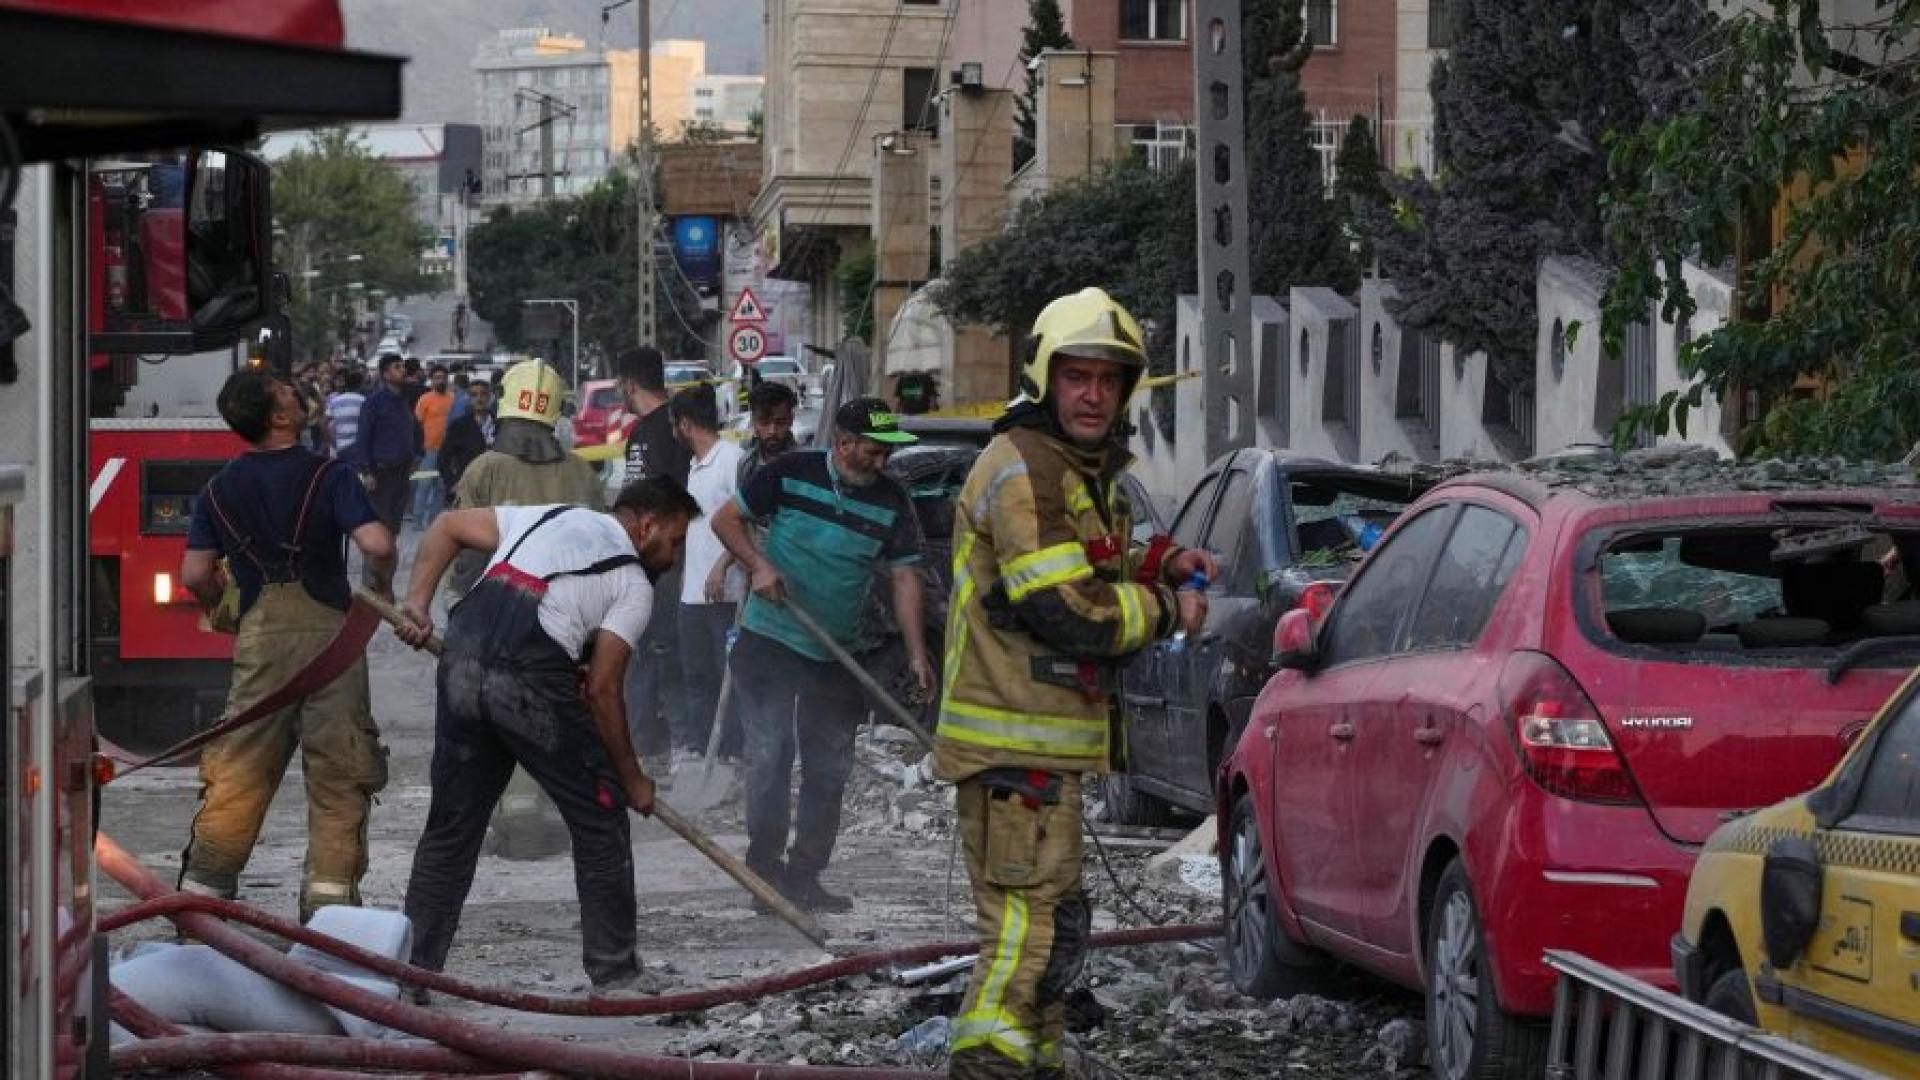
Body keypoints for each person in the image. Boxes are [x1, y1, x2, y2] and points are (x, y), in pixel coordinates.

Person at [936, 289, 1217, 1080]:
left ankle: (1037, 1062)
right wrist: (1166, 606)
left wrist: (1159, 561)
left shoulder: (1070, 467)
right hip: (1009, 743)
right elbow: (1065, 609)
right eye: (1077, 377)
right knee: (1025, 930)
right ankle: (987, 1063)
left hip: (1036, 749)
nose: (1093, 394)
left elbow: (1086, 563)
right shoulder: (1024, 469)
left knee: (1055, 926)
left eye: (1108, 378)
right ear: (1045, 379)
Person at [393, 478, 699, 994]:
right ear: (646, 526)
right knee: (601, 818)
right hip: (526, 683)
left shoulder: (547, 514)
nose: (673, 558)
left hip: (462, 664)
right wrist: (631, 780)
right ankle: (616, 973)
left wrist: (418, 603)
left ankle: (411, 973)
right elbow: (604, 689)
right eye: (674, 541)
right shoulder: (632, 584)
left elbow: (446, 526)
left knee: (451, 828)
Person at [177, 367, 398, 922]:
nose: (298, 395)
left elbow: (194, 574)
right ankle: (330, 913)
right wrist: (381, 589)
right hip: (333, 648)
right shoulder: (331, 475)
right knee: (340, 774)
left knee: (239, 772)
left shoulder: (218, 489)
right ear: (279, 417)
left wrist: (218, 603)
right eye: (286, 393)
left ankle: (202, 904)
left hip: (260, 643)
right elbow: (377, 542)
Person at [710, 398, 933, 914]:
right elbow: (726, 521)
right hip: (770, 640)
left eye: (887, 454)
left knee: (829, 768)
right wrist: (758, 566)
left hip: (836, 655)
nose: (882, 463)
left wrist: (918, 653)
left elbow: (905, 576)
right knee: (768, 758)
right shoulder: (789, 473)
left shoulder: (893, 500)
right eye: (874, 452)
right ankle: (764, 874)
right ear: (844, 444)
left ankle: (805, 875)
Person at [615, 347, 691, 773]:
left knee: (658, 651)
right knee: (648, 651)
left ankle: (669, 747)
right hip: (655, 563)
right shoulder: (658, 429)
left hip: (662, 564)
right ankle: (654, 745)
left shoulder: (659, 431)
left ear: (629, 384)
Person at [668, 384, 744, 758]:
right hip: (693, 597)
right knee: (696, 678)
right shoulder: (695, 467)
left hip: (725, 595)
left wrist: (721, 565)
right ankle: (701, 751)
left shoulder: (731, 459)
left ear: (685, 425)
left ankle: (731, 754)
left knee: (727, 678)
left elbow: (747, 521)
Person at [345, 354, 418, 541]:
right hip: (382, 473)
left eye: (402, 366)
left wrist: (414, 456)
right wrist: (366, 471)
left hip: (402, 472)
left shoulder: (404, 400)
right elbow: (363, 438)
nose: (402, 370)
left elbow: (410, 431)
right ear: (385, 374)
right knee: (379, 527)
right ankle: (373, 568)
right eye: (397, 367)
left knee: (393, 527)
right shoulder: (374, 403)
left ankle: (386, 567)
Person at [411, 363, 455, 529]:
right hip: (429, 449)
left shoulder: (453, 398)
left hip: (447, 451)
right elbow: (416, 424)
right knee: (424, 485)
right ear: (431, 380)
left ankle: (433, 522)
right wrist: (418, 449)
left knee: (441, 488)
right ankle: (417, 521)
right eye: (437, 378)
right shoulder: (425, 399)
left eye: (443, 377)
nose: (441, 381)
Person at [438, 376, 495, 498]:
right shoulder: (459, 426)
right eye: (474, 395)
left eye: (483, 394)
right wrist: (452, 483)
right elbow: (443, 458)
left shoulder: (500, 425)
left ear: (490, 397)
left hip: (495, 487)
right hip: (468, 486)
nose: (479, 399)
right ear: (469, 399)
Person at [736, 380, 798, 490]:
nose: (772, 431)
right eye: (764, 423)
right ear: (753, 421)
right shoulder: (747, 464)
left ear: (791, 420)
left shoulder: (805, 463)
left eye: (780, 422)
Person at [326, 367, 367, 460]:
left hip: (341, 446)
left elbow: (324, 423)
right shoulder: (363, 401)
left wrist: (331, 442)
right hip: (358, 446)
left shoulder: (335, 401)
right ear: (360, 385)